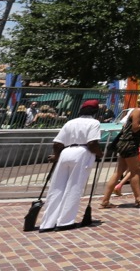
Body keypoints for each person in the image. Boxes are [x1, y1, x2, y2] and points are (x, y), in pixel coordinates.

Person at [39, 99, 103, 232]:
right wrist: (99, 154)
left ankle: (47, 223)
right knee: (74, 187)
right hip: (82, 152)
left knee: (57, 188)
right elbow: (92, 143)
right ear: (96, 111)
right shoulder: (94, 123)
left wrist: (57, 156)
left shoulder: (70, 122)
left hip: (65, 152)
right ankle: (65, 221)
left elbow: (57, 143)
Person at [100, 89, 140, 208]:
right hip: (129, 144)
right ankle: (138, 198)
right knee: (134, 171)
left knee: (119, 172)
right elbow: (135, 128)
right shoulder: (138, 111)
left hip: (126, 143)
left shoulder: (138, 111)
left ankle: (105, 201)